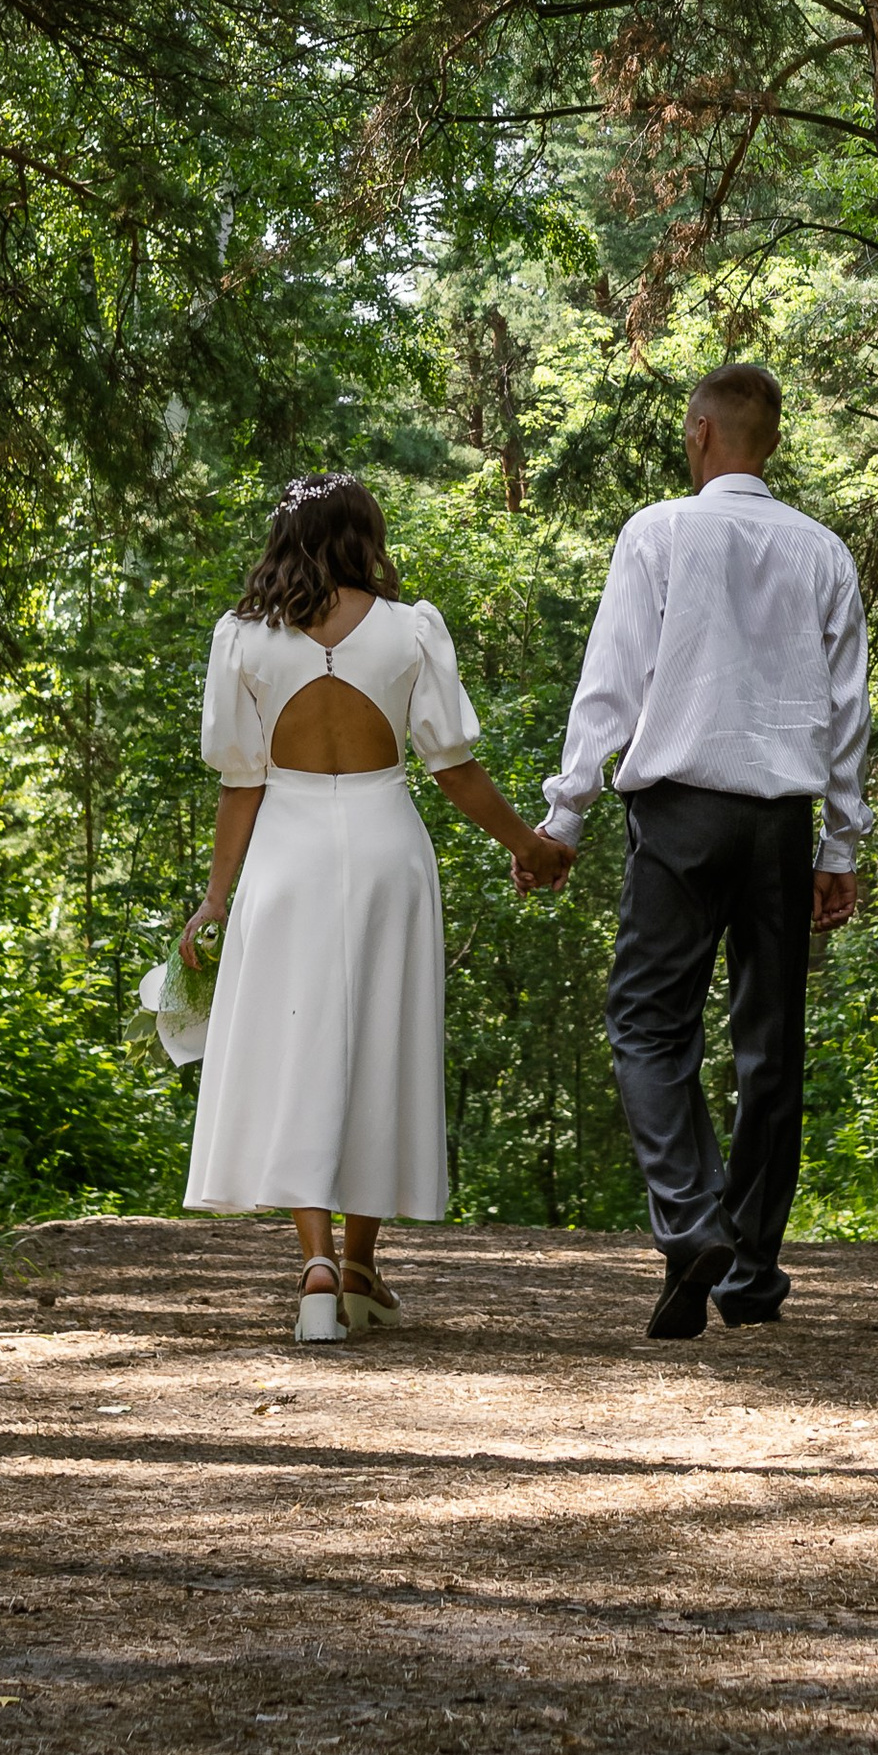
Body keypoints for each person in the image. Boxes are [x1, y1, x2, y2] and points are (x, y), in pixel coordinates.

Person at [516, 360, 868, 1339]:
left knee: (645, 1025)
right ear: (771, 440)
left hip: (677, 812)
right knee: (771, 1048)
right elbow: (846, 716)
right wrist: (840, 846)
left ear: (703, 433)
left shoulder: (659, 532)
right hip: (780, 825)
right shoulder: (823, 553)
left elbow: (612, 682)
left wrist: (566, 815)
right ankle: (748, 1272)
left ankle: (691, 1220)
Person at [180, 473, 563, 1343]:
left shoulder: (241, 639)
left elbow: (241, 780)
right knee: (378, 1041)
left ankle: (316, 1266)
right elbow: (453, 769)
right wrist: (527, 845)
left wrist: (215, 898)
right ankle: (358, 1264)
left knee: (299, 1045)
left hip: (286, 852)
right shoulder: (408, 630)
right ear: (364, 534)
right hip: (389, 847)